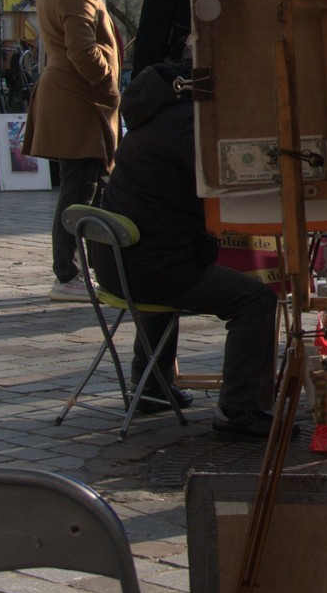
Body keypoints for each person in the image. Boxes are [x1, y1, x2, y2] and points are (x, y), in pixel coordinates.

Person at [93, 62, 280, 437]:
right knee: (256, 300)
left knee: (161, 272)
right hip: (152, 269)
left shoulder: (149, 118)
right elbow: (221, 182)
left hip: (119, 265)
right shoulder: (183, 124)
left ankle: (151, 387)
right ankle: (238, 409)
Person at [24, 0, 122, 302]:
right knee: (80, 191)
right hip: (78, 98)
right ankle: (68, 275)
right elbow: (82, 49)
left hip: (72, 95)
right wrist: (107, 83)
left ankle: (78, 270)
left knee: (81, 188)